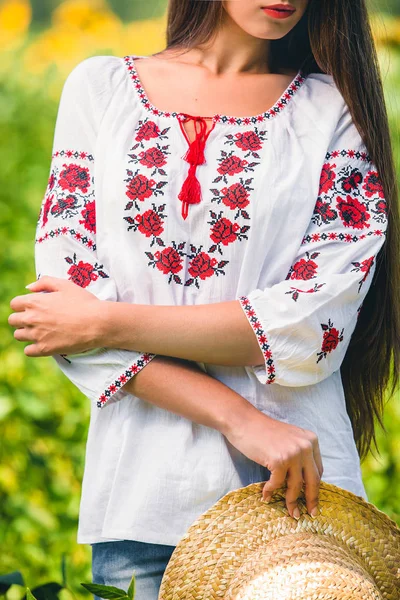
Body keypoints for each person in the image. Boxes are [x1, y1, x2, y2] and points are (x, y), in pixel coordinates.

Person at [8, 0, 400, 598]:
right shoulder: (101, 88)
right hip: (142, 503)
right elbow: (64, 319)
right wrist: (240, 419)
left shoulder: (333, 111)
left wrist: (106, 321)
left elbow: (312, 325)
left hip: (299, 517)